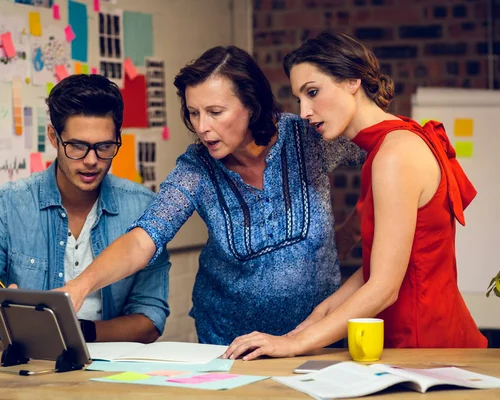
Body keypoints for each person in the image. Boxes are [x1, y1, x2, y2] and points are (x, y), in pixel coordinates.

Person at [56, 46, 365, 345]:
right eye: (193, 113)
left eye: (215, 112)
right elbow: (143, 239)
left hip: (319, 336)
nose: (202, 127)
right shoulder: (197, 167)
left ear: (251, 105)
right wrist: (81, 284)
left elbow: (386, 158)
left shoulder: (308, 137)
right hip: (229, 345)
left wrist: (352, 231)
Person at [224, 32, 487, 361]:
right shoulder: (391, 145)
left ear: (352, 81)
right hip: (417, 341)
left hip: (425, 349)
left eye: (313, 92)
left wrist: (294, 345)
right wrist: (305, 327)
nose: (304, 111)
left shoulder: (394, 155)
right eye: (299, 98)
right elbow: (376, 269)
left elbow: (384, 287)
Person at [0, 74, 171, 343]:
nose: (91, 161)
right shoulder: (7, 205)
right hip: (24, 370)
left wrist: (75, 331)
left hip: (109, 373)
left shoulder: (143, 208)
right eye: (77, 146)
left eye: (105, 147)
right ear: (53, 137)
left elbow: (150, 319)